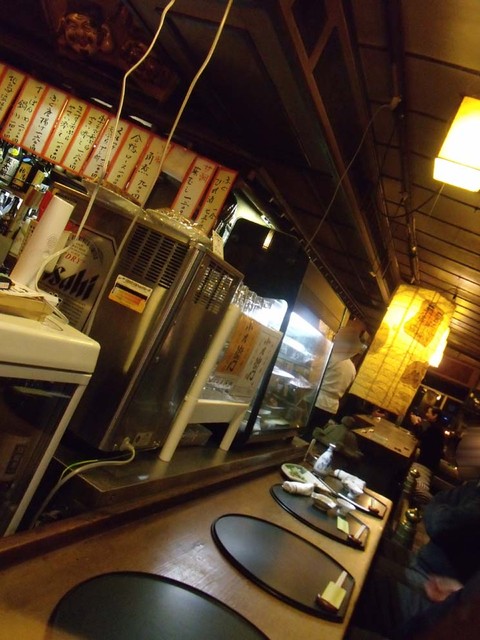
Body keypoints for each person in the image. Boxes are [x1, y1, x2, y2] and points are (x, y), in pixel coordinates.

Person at [346, 428, 480, 639]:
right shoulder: (474, 486)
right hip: (435, 579)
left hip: (433, 591)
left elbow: (440, 522)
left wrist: (460, 593)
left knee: (351, 574)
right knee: (364, 543)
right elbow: (438, 503)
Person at [303, 324, 366, 441]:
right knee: (312, 435)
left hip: (317, 400)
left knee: (301, 430)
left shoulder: (331, 357)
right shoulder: (352, 368)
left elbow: (313, 375)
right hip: (331, 407)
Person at [410, 406, 445, 472]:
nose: (426, 414)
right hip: (427, 461)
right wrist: (418, 423)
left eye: (428, 413)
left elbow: (420, 436)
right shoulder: (436, 427)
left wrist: (415, 423)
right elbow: (424, 436)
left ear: (435, 415)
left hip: (426, 463)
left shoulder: (435, 429)